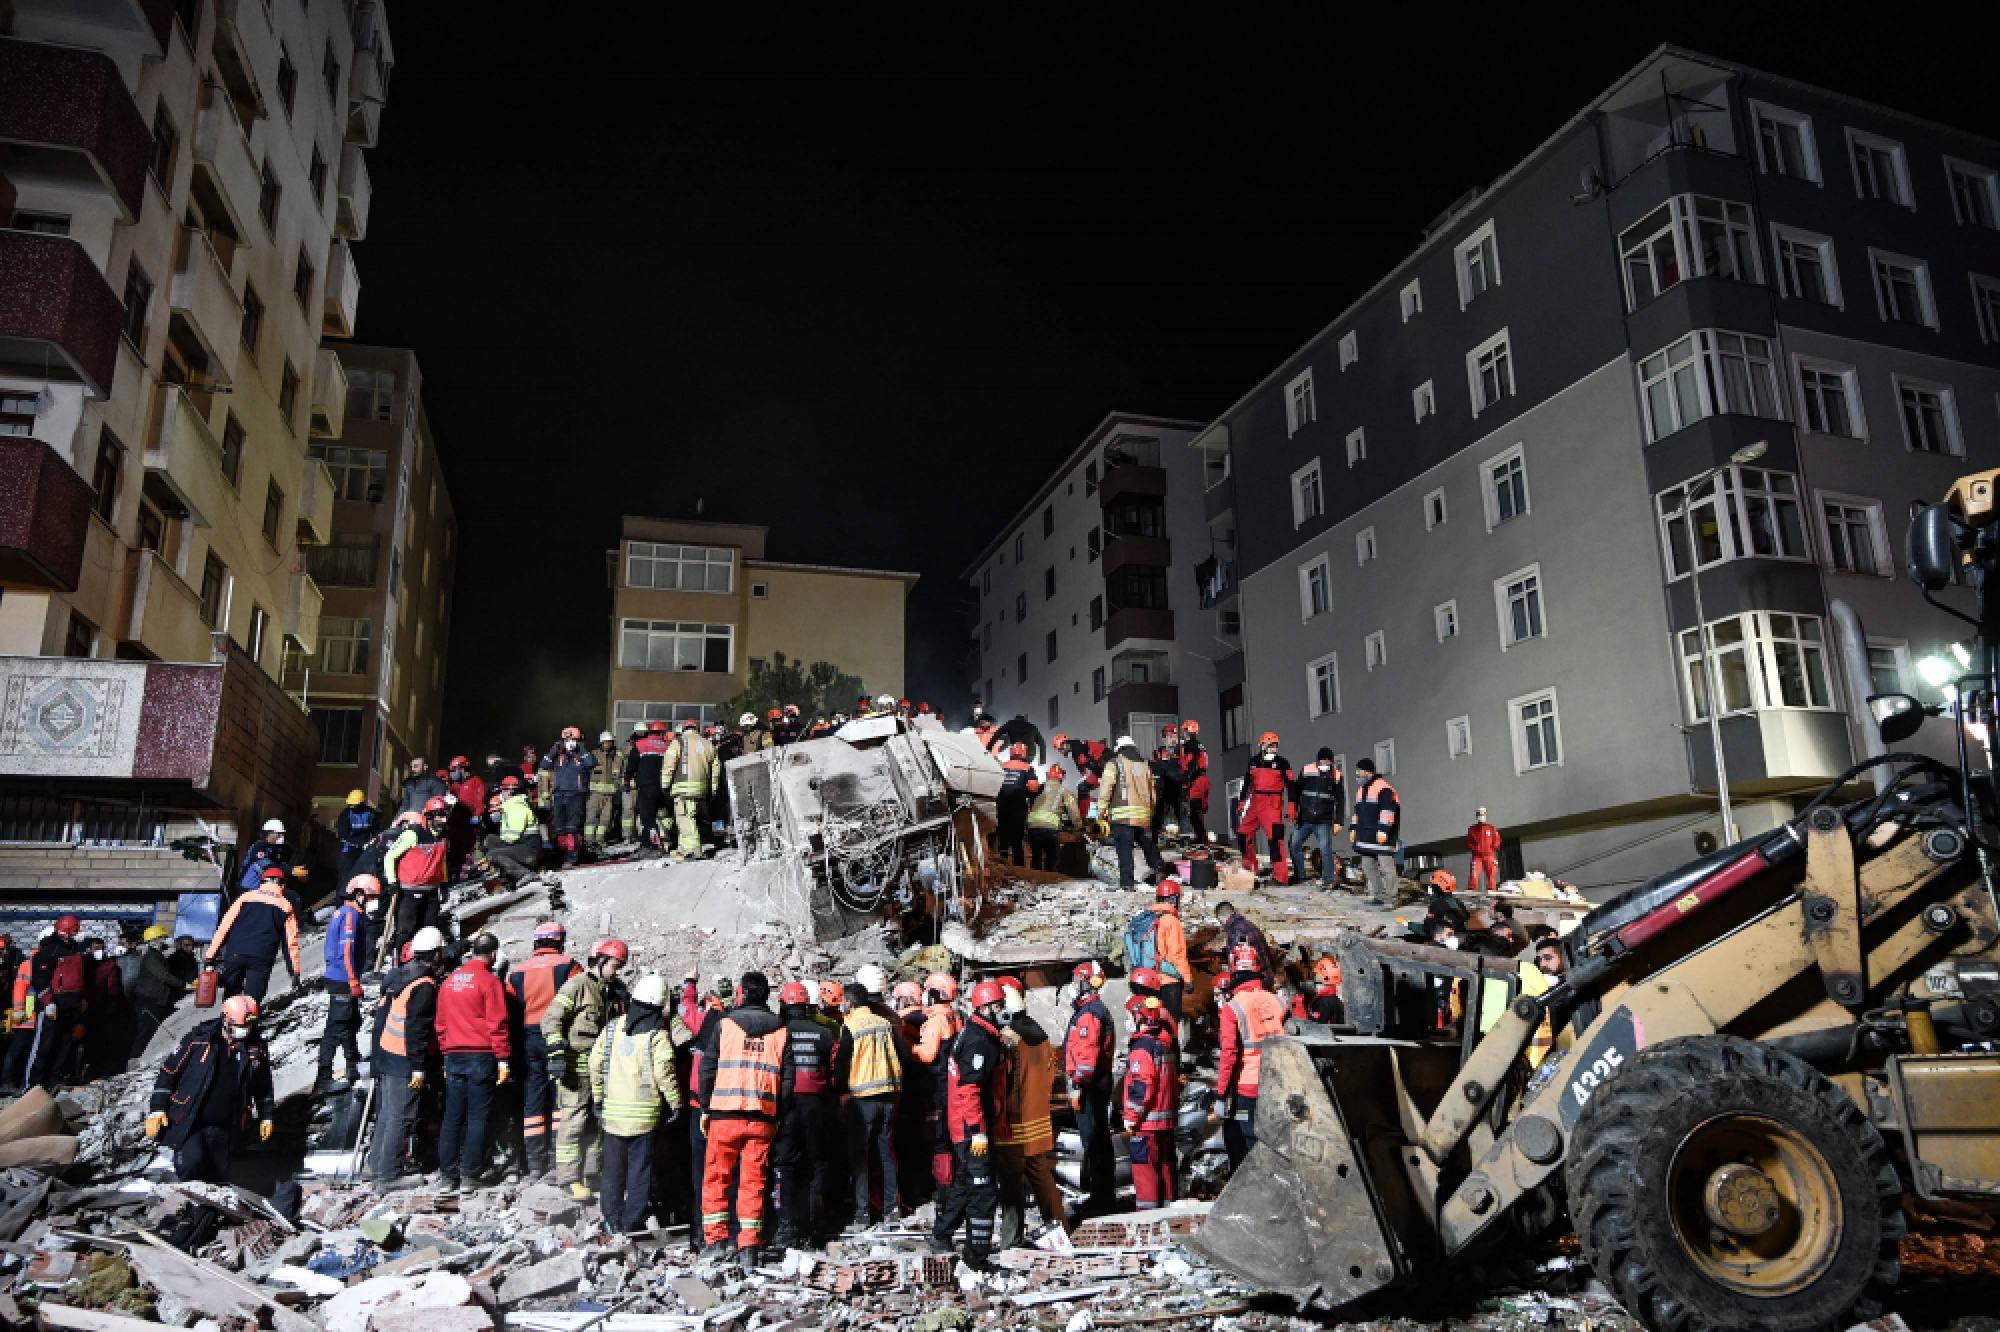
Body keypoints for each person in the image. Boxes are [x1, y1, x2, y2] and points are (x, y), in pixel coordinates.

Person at [697, 971, 788, 1270]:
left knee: (716, 1179)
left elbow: (707, 1069)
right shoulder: (781, 1030)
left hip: (724, 1115)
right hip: (762, 1117)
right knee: (754, 1182)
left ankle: (716, 1243)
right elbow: (787, 1082)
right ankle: (749, 1247)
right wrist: (778, 1116)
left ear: (742, 993)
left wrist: (706, 1108)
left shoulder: (725, 1026)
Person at [592, 972, 686, 1234]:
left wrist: (598, 1098)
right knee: (639, 1172)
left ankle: (611, 1218)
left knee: (612, 1172)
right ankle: (633, 1222)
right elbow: (664, 1073)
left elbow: (595, 1064)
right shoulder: (657, 1036)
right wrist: (676, 1104)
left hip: (613, 1117)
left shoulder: (612, 1028)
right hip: (644, 1119)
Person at [145, 995, 273, 1183]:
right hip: (192, 1121)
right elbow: (169, 1072)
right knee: (191, 1165)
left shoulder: (255, 1049)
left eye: (247, 1027)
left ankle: (207, 1212)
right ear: (225, 1020)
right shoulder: (199, 1040)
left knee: (219, 1176)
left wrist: (266, 1116)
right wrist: (157, 1108)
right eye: (240, 1027)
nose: (244, 1031)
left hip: (227, 1126)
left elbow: (263, 1085)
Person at [929, 979, 1009, 1271]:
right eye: (999, 1005)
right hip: (970, 1128)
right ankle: (977, 1255)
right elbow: (969, 1089)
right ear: (986, 1007)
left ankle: (941, 1234)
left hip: (964, 1125)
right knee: (983, 1190)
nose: (1003, 1010)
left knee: (964, 1184)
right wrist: (978, 1131)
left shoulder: (978, 1034)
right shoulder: (977, 1040)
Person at [544, 938, 627, 1199]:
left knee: (597, 1122)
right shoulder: (577, 986)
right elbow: (551, 1019)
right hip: (574, 1070)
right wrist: (556, 1053)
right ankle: (568, 1179)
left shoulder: (613, 991)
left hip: (601, 1071)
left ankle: (591, 1174)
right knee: (574, 1122)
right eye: (615, 965)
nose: (618, 971)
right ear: (600, 961)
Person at [369, 927, 447, 1188]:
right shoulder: (424, 986)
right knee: (402, 1116)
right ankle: (389, 1176)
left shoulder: (400, 975)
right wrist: (418, 1067)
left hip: (387, 1051)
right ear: (435, 955)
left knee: (388, 1113)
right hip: (404, 1056)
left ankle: (377, 1166)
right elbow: (416, 1029)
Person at [435, 932, 511, 1188]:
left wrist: (446, 1054)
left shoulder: (450, 982)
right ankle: (470, 1173)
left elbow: (441, 1024)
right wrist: (503, 1058)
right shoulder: (489, 982)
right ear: (493, 955)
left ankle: (447, 1175)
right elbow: (497, 1023)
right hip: (480, 1055)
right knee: (478, 1116)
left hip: (454, 1056)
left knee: (453, 1116)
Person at [993, 976, 1065, 1237]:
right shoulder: (1040, 1035)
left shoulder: (1009, 1039)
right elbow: (1049, 1075)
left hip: (1015, 1122)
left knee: (1011, 1183)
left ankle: (1011, 1239)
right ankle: (1060, 1228)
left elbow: (1004, 1082)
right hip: (1039, 1120)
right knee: (1042, 1177)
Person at [506, 922, 579, 1179]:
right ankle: (561, 1158)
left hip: (528, 1039)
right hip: (559, 1036)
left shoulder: (518, 972)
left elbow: (511, 1010)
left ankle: (535, 1162)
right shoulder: (569, 966)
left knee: (533, 1098)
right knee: (562, 1095)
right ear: (560, 941)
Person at [773, 980, 842, 1249]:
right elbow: (836, 1073)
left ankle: (788, 1227)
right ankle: (818, 1226)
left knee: (786, 1166)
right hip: (817, 1105)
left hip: (786, 1105)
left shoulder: (778, 1032)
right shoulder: (824, 1033)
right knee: (818, 1163)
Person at [838, 964, 905, 1227]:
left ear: (850, 1003)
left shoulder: (851, 1026)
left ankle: (862, 1213)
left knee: (861, 1158)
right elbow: (902, 1056)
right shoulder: (884, 1022)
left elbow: (842, 1063)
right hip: (888, 1096)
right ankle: (892, 1209)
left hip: (862, 1098)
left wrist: (842, 1094)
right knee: (886, 1153)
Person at [1216, 942, 1285, 1167]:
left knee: (1246, 1145)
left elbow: (1229, 1054)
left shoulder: (1232, 1008)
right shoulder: (1279, 1002)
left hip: (1247, 1088)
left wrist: (1221, 1094)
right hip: (1278, 1083)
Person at [1062, 961, 1116, 1219]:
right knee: (1097, 1141)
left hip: (1091, 1086)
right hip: (1096, 1083)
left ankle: (1101, 1198)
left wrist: (1078, 1085)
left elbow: (1087, 1053)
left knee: (1094, 1141)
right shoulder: (1091, 1010)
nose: (1072, 986)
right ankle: (1101, 1194)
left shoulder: (1090, 1013)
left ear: (1085, 982)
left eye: (1075, 980)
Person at [314, 877, 375, 1094]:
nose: (372, 902)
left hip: (340, 977)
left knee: (350, 1022)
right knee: (336, 1027)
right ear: (359, 895)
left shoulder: (345, 912)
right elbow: (346, 952)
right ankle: (323, 1079)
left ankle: (352, 1065)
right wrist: (353, 981)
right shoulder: (350, 916)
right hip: (342, 979)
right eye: (371, 897)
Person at [206, 866, 302, 1001]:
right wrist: (294, 973)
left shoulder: (244, 897)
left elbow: (224, 927)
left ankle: (228, 1019)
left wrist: (210, 956)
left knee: (231, 998)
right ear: (283, 884)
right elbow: (290, 942)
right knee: (252, 1001)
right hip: (261, 957)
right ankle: (249, 1020)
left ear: (261, 882)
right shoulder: (285, 905)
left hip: (235, 953)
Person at [1122, 996, 1179, 1211]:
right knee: (1164, 1168)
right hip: (1163, 1120)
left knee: (1145, 1171)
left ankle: (1146, 1219)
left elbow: (1141, 1085)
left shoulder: (1142, 1047)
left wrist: (1131, 1116)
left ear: (1139, 1016)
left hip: (1146, 1122)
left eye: (1128, 1015)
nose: (1127, 1020)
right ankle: (1167, 1213)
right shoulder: (1162, 1042)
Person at [911, 972, 963, 1196]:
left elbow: (927, 1055)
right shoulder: (954, 1017)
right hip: (952, 1085)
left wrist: (906, 1047)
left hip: (937, 1086)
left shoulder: (935, 1021)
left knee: (938, 1140)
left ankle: (943, 1190)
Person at [383, 800, 452, 957]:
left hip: (431, 891)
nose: (444, 820)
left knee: (429, 930)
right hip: (409, 892)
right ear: (430, 816)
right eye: (440, 816)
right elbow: (390, 857)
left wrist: (444, 882)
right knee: (406, 930)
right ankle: (399, 961)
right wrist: (392, 882)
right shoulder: (413, 834)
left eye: (445, 816)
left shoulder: (443, 837)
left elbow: (441, 862)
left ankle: (423, 962)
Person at [27, 917, 87, 1089]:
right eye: (76, 930)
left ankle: (55, 1082)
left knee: (64, 1047)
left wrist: (82, 998)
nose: (79, 934)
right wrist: (47, 1002)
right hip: (52, 1007)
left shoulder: (74, 951)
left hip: (71, 1007)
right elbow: (40, 979)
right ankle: (33, 1085)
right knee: (44, 1048)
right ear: (65, 931)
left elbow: (79, 979)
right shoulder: (48, 952)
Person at [1100, 736, 1165, 888]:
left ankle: (1127, 883)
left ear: (1119, 749)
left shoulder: (1114, 763)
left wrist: (1102, 809)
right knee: (1148, 845)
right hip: (1142, 817)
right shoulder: (1144, 766)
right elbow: (1152, 793)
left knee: (1124, 849)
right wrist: (1150, 811)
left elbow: (1106, 788)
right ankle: (1160, 871)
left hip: (1122, 817)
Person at [1125, 878, 1191, 1018]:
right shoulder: (1171, 921)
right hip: (1167, 981)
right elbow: (1177, 954)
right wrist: (1188, 979)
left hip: (1146, 980)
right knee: (1169, 1025)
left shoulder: (1145, 919)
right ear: (1174, 899)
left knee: (1149, 1020)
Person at [1237, 733, 1294, 884]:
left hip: (1272, 803)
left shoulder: (1282, 763)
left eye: (1275, 745)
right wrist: (1242, 802)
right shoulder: (1253, 762)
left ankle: (1281, 877)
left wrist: (1292, 806)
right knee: (1243, 834)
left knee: (1275, 840)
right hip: (1256, 802)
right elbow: (1247, 783)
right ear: (1262, 746)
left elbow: (1291, 786)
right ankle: (1250, 868)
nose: (1273, 748)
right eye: (1270, 745)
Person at [663, 720, 720, 860]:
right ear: (697, 728)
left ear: (683, 729)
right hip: (702, 788)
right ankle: (683, 848)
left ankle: (693, 850)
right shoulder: (708, 743)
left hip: (683, 788)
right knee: (690, 817)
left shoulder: (678, 742)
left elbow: (669, 764)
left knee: (685, 818)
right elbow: (716, 769)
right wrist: (713, 788)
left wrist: (665, 784)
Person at [538, 728, 596, 866]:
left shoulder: (582, 755)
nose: (569, 742)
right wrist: (555, 750)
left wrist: (581, 749)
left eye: (572, 740)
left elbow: (591, 763)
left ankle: (572, 856)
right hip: (559, 794)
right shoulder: (559, 755)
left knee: (572, 827)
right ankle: (561, 854)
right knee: (559, 827)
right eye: (566, 740)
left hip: (576, 794)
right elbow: (544, 764)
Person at [128, 926, 187, 1058]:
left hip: (154, 999)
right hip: (148, 1001)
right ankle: (134, 1061)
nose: (166, 940)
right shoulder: (152, 958)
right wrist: (183, 985)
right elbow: (164, 975)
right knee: (145, 1033)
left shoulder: (158, 956)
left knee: (150, 1032)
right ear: (156, 940)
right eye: (164, 937)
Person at [1350, 758, 1402, 907]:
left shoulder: (1384, 789)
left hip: (1382, 837)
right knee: (1368, 866)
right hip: (1366, 837)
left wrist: (1384, 830)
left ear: (1368, 772)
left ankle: (1392, 899)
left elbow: (1388, 811)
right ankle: (1378, 896)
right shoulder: (1361, 790)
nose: (1357, 774)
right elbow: (1357, 813)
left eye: (1359, 771)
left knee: (1387, 868)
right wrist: (1353, 829)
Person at [1288, 750, 1344, 885]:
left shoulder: (1336, 775)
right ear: (1318, 760)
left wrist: (1338, 821)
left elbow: (1341, 800)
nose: (1325, 763)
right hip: (1305, 819)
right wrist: (1293, 810)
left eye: (1328, 760)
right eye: (1323, 760)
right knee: (1294, 845)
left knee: (1326, 851)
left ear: (1331, 761)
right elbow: (1296, 791)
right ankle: (1300, 876)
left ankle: (1329, 880)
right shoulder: (1307, 770)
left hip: (1323, 821)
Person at [485, 777, 544, 886]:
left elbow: (512, 838)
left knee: (492, 855)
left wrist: (491, 857)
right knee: (490, 839)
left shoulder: (517, 808)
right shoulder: (510, 807)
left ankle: (523, 874)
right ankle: (505, 872)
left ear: (510, 792)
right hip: (522, 846)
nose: (501, 794)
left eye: (503, 791)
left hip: (529, 850)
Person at [1024, 765, 1080, 871]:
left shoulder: (1039, 787)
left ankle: (1035, 880)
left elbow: (1030, 803)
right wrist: (1078, 826)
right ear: (1061, 777)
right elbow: (1073, 811)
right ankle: (1050, 880)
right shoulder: (1064, 791)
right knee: (1052, 857)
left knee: (1036, 856)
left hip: (1032, 827)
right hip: (1050, 829)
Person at [995, 743, 1039, 867]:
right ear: (1024, 753)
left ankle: (1002, 864)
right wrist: (1024, 792)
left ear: (1012, 752)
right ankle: (1019, 867)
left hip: (1001, 807)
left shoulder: (1001, 766)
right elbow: (1033, 789)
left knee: (1002, 837)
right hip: (1018, 808)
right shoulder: (1027, 768)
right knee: (1016, 838)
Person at [1213, 901, 1275, 989]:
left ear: (1220, 917)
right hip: (1267, 978)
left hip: (1254, 984)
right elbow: (1269, 952)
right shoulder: (1251, 926)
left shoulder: (1236, 932)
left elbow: (1242, 959)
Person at [445, 758, 487, 881]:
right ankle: (453, 875)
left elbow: (480, 801)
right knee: (454, 850)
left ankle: (469, 875)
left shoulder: (476, 782)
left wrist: (477, 816)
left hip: (469, 823)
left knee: (469, 849)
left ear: (463, 769)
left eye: (454, 770)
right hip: (455, 822)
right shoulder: (455, 786)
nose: (453, 773)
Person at [1051, 734, 1108, 820]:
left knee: (1083, 788)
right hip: (1101, 767)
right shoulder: (1076, 749)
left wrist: (1098, 775)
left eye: (1060, 749)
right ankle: (1082, 819)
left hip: (1105, 764)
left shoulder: (1077, 747)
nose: (1061, 752)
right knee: (1083, 788)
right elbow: (1083, 769)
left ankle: (1081, 820)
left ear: (1064, 744)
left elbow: (1086, 763)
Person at [334, 792, 379, 890]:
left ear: (361, 803)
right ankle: (341, 902)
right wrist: (361, 843)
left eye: (354, 804)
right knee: (345, 878)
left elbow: (377, 830)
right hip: (347, 851)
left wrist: (375, 841)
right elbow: (343, 835)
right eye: (350, 804)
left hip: (365, 851)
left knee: (364, 877)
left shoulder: (371, 814)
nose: (352, 806)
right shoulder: (345, 815)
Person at [1178, 721, 1212, 844]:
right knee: (1196, 811)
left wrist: (1187, 781)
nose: (1182, 733)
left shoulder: (1191, 746)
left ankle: (1203, 841)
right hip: (1201, 780)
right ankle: (1201, 839)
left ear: (1189, 732)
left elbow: (1192, 765)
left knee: (1195, 812)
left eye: (1184, 731)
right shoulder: (1197, 746)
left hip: (1197, 780)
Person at [585, 734, 621, 848]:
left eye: (610, 742)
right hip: (594, 793)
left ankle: (600, 840)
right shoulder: (593, 755)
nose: (608, 744)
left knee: (605, 819)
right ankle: (589, 841)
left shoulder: (615, 756)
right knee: (591, 818)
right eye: (606, 742)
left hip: (609, 794)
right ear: (601, 743)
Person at [1467, 808, 1502, 894]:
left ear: (1486, 815)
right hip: (1477, 856)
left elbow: (1497, 840)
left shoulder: (1491, 828)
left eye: (1482, 814)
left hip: (1489, 855)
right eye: (1479, 814)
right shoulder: (1472, 829)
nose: (1480, 816)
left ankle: (1491, 890)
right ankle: (1471, 890)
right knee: (1474, 873)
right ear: (1476, 816)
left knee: (1491, 874)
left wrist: (1492, 848)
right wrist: (1475, 848)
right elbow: (1469, 841)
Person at [1306, 955, 1346, 1025]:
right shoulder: (1331, 999)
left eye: (1317, 974)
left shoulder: (1326, 1001)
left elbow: (1313, 1026)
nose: (1314, 976)